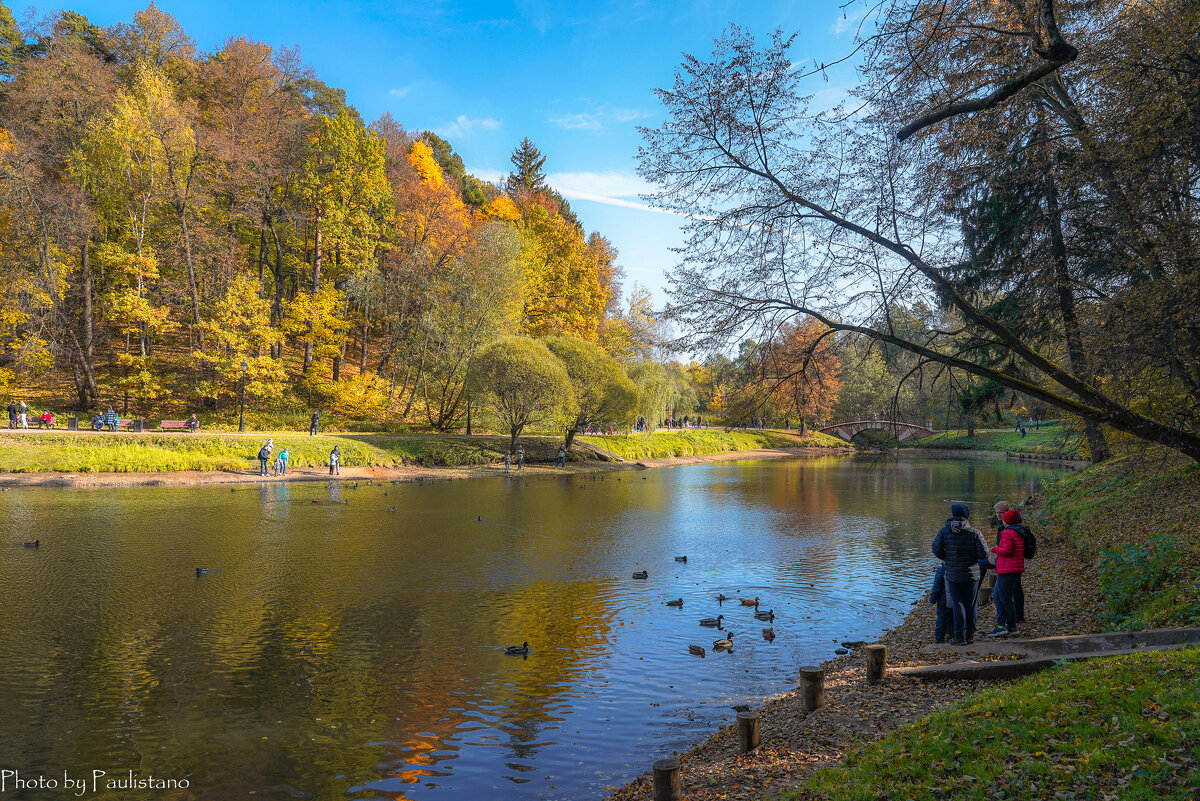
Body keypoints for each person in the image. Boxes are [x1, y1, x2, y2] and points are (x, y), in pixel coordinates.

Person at [932, 502, 989, 645]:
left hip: (953, 573)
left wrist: (948, 558)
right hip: (972, 573)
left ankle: (958, 636)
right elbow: (983, 554)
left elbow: (936, 550)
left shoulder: (944, 532)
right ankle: (969, 635)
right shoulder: (974, 532)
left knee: (958, 603)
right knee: (971, 604)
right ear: (966, 515)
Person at [988, 510, 1029, 637]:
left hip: (1008, 569)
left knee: (1003, 598)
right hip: (1013, 568)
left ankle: (1008, 627)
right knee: (998, 596)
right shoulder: (1019, 531)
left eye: (1004, 518)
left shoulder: (1007, 533)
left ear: (1007, 521)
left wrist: (994, 549)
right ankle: (1005, 625)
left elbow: (1007, 551)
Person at [929, 563, 952, 643]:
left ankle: (939, 638)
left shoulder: (941, 570)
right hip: (956, 599)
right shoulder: (958, 567)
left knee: (942, 618)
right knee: (954, 617)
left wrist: (932, 600)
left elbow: (936, 587)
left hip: (944, 599)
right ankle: (953, 635)